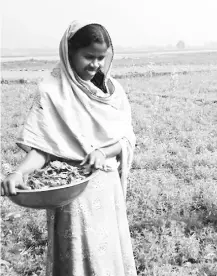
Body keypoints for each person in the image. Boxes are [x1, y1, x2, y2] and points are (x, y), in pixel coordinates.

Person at [1, 21, 137, 276]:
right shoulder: (51, 92)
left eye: (101, 58)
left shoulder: (113, 91)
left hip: (107, 189)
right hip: (71, 193)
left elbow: (126, 139)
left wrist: (102, 152)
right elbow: (43, 148)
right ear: (69, 52)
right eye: (88, 56)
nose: (95, 64)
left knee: (107, 256)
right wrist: (19, 173)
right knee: (77, 255)